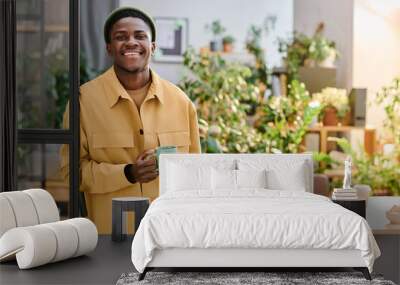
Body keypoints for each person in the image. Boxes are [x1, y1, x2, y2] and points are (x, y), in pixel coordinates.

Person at [60, 7, 201, 234]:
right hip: (110, 237)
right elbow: (72, 173)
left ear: (152, 47)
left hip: (171, 233)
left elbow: (197, 173)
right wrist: (128, 173)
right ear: (109, 48)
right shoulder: (83, 102)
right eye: (120, 37)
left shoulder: (181, 102)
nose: (131, 42)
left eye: (140, 36)